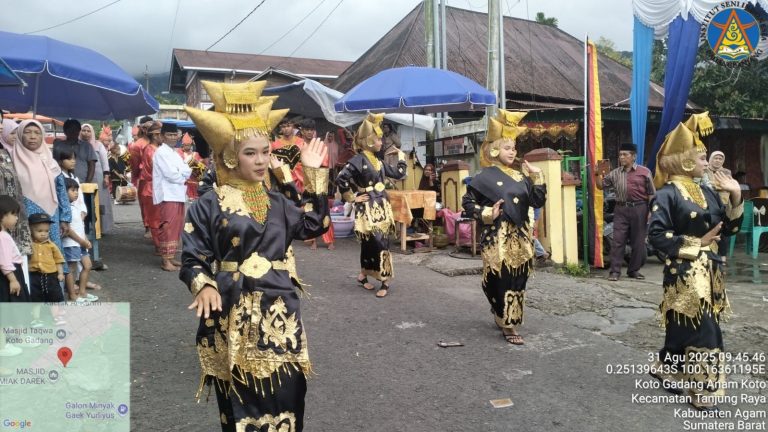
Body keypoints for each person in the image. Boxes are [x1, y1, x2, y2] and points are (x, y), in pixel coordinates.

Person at [181, 80, 330, 432]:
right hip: (233, 310)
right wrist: (204, 285)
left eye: (265, 151)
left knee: (289, 394)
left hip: (281, 314)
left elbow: (316, 224)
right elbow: (192, 257)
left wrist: (313, 175)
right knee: (241, 404)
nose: (261, 160)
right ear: (231, 156)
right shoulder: (208, 204)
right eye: (251, 153)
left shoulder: (278, 202)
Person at [647, 113, 743, 411]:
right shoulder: (666, 194)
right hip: (684, 273)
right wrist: (697, 243)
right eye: (701, 158)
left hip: (711, 271)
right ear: (686, 161)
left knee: (682, 325)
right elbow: (656, 236)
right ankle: (702, 387)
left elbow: (728, 229)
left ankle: (667, 365)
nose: (706, 163)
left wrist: (736, 197)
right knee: (704, 328)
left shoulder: (707, 191)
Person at [461, 110, 546, 345]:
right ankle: (502, 315)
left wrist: (538, 177)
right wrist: (489, 213)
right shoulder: (483, 177)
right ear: (495, 150)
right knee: (499, 280)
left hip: (521, 238)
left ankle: (509, 321)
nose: (512, 152)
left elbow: (537, 201)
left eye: (514, 148)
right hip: (496, 238)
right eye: (507, 148)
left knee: (518, 279)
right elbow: (467, 204)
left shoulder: (521, 177)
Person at [336, 113, 407, 298]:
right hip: (367, 206)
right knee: (373, 242)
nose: (381, 142)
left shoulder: (379, 161)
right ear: (368, 141)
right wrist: (352, 197)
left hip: (382, 205)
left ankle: (372, 276)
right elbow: (341, 178)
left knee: (378, 241)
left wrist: (401, 157)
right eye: (378, 139)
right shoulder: (358, 160)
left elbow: (399, 173)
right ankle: (380, 278)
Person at [12, 120, 71, 274]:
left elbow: (61, 191)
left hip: (51, 217)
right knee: (30, 255)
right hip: (23, 217)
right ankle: (32, 287)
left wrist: (65, 218)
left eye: (37, 133)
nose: (33, 136)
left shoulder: (50, 161)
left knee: (53, 252)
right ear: (20, 135)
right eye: (27, 132)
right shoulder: (11, 160)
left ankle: (56, 286)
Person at [596, 142, 655, 281]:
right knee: (617, 241)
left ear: (633, 156)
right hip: (621, 209)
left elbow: (652, 193)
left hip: (640, 208)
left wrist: (651, 210)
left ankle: (633, 270)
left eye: (625, 154)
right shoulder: (615, 173)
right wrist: (597, 173)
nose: (621, 157)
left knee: (638, 242)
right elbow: (601, 186)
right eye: (620, 155)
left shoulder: (645, 172)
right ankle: (615, 272)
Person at [152, 122, 191, 271]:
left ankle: (171, 256)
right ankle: (165, 261)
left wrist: (181, 174)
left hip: (178, 193)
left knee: (177, 227)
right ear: (162, 136)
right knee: (167, 226)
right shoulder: (161, 152)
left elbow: (187, 170)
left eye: (175, 135)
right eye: (170, 135)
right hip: (167, 195)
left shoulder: (174, 153)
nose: (173, 137)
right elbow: (171, 174)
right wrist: (182, 176)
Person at [0, 115, 32, 262]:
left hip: (12, 212)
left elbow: (15, 183)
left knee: (15, 258)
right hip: (3, 214)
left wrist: (18, 210)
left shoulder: (4, 151)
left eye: (1, 122)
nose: (1, 126)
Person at [61, 178, 95, 303]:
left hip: (80, 242)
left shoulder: (74, 207)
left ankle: (82, 292)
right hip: (71, 243)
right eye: (72, 190)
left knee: (87, 265)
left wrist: (85, 239)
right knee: (71, 269)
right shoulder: (65, 209)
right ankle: (72, 295)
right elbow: (68, 230)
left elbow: (80, 226)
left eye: (76, 190)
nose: (76, 193)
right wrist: (82, 241)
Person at [81, 123, 113, 234]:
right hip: (83, 177)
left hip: (98, 178)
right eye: (83, 130)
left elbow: (105, 162)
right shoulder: (78, 145)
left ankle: (102, 228)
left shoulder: (98, 145)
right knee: (85, 202)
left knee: (100, 203)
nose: (86, 133)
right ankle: (86, 228)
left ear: (92, 132)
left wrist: (106, 176)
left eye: (88, 131)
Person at [27, 213, 65, 302]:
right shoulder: (29, 245)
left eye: (46, 231)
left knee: (54, 296)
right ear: (30, 230)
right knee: (36, 297)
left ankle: (55, 310)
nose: (43, 234)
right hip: (34, 276)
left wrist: (60, 273)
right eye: (40, 231)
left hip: (51, 276)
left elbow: (58, 260)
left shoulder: (51, 245)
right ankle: (37, 310)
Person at [140, 121, 163, 252]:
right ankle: (159, 247)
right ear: (155, 135)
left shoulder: (156, 149)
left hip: (156, 187)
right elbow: (158, 169)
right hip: (152, 188)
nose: (163, 137)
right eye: (161, 134)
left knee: (160, 217)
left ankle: (162, 246)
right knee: (155, 219)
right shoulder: (150, 150)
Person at [0, 195, 28, 302]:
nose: (16, 218)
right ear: (2, 215)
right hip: (10, 275)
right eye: (14, 214)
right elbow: (4, 261)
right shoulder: (2, 236)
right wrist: (13, 280)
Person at [129, 116, 154, 238]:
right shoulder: (137, 145)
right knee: (146, 204)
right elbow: (134, 165)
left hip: (161, 178)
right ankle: (148, 226)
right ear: (142, 128)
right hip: (145, 179)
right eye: (146, 127)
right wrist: (135, 178)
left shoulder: (160, 142)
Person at [271, 118, 305, 191]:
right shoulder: (275, 145)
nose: (286, 129)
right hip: (284, 178)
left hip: (300, 178)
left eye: (288, 126)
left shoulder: (301, 142)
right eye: (283, 127)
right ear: (280, 128)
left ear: (293, 127)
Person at [177, 132, 203, 201]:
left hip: (195, 181)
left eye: (188, 145)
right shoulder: (179, 154)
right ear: (182, 145)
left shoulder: (196, 154)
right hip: (185, 183)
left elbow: (201, 167)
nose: (187, 147)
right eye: (185, 145)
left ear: (191, 145)